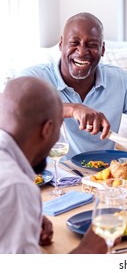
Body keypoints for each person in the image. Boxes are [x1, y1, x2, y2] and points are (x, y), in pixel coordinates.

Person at [18, 12, 127, 158]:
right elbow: (13, 108)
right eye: (74, 43)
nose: (82, 51)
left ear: (102, 49)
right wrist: (73, 109)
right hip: (53, 177)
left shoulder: (118, 79)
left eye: (91, 45)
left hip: (102, 176)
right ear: (61, 44)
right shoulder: (35, 77)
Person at [0, 76, 107, 253]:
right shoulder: (15, 186)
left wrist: (20, 218)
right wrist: (87, 251)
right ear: (47, 129)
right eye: (59, 126)